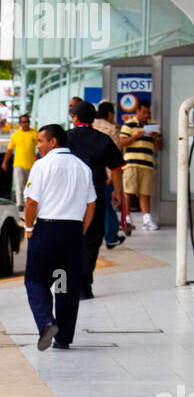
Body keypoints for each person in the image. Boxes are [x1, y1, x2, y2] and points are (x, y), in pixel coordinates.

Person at [23, 124, 96, 351]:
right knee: (64, 285)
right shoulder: (83, 167)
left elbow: (32, 202)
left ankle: (46, 322)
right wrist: (81, 231)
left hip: (47, 231)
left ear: (53, 141)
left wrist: (28, 228)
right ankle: (63, 338)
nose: (38, 145)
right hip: (72, 234)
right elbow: (91, 203)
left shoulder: (42, 165)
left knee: (36, 280)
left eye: (40, 141)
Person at [67, 101, 123, 297]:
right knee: (91, 239)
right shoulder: (103, 139)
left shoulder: (64, 138)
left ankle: (66, 284)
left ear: (75, 118)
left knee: (68, 238)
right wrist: (117, 191)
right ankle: (85, 285)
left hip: (70, 195)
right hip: (96, 193)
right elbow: (116, 168)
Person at [121, 100, 162, 231]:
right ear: (137, 111)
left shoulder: (153, 126)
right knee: (129, 192)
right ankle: (126, 218)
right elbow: (121, 142)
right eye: (144, 112)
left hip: (147, 164)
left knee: (145, 192)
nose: (146, 115)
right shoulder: (129, 124)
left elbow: (160, 147)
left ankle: (147, 220)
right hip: (131, 163)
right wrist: (134, 137)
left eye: (148, 113)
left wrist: (155, 137)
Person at [94, 101, 124, 247]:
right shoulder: (112, 129)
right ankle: (111, 236)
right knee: (107, 206)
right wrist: (111, 178)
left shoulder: (90, 125)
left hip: (88, 176)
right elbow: (114, 158)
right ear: (110, 114)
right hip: (105, 175)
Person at [1, 112, 38, 210]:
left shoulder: (34, 133)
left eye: (27, 122)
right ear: (20, 124)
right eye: (23, 122)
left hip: (31, 165)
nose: (25, 124)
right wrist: (5, 162)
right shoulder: (16, 134)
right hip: (19, 164)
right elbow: (10, 149)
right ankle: (20, 204)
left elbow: (41, 146)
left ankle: (29, 203)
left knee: (30, 186)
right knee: (19, 186)